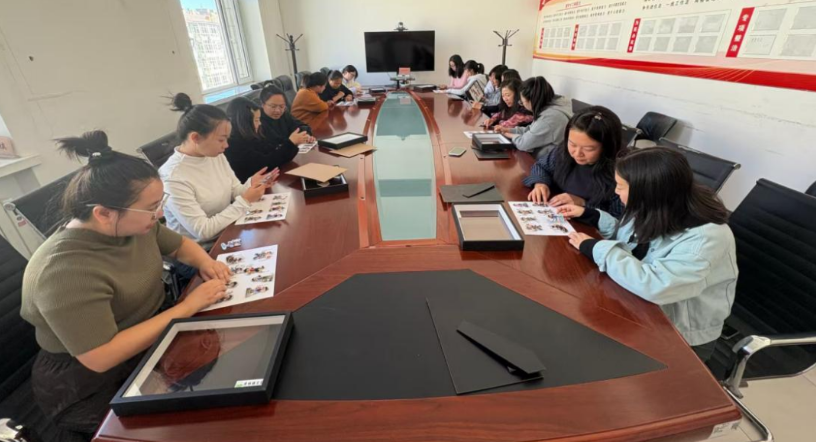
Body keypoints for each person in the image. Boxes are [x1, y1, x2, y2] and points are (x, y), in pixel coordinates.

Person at [20, 131, 230, 440]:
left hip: (153, 332)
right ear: (103, 213)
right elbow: (101, 356)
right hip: (91, 379)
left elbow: (179, 245)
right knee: (192, 425)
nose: (160, 214)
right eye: (152, 207)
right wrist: (188, 307)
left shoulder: (133, 226)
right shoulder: (63, 272)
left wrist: (205, 263)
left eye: (160, 202)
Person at [559, 147, 737, 362]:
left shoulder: (707, 237)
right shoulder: (657, 205)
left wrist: (596, 248)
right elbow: (632, 242)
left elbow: (657, 286)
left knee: (589, 356)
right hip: (637, 307)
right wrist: (593, 216)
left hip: (680, 334)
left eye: (621, 186)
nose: (616, 191)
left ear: (646, 191)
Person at [160, 93, 277, 246]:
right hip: (201, 249)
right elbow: (203, 231)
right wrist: (245, 200)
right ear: (195, 138)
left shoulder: (214, 154)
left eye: (227, 138)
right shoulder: (173, 177)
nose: (226, 145)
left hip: (229, 231)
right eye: (221, 139)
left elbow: (234, 190)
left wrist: (252, 184)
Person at [522, 106, 625, 217]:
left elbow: (618, 217)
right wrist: (540, 183)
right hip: (555, 212)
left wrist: (583, 204)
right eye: (572, 144)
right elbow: (541, 166)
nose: (577, 153)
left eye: (588, 149)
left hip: (585, 225)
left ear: (608, 147)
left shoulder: (622, 173)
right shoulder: (562, 152)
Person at [224, 93, 310, 182]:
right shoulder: (233, 144)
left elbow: (271, 150)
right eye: (256, 120)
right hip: (250, 185)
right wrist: (291, 143)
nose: (260, 123)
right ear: (244, 122)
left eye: (282, 106)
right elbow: (266, 164)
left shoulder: (252, 135)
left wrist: (293, 142)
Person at [497, 76, 571, 159]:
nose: (523, 105)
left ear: (532, 100)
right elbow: (531, 130)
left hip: (548, 162)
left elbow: (523, 144)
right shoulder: (549, 109)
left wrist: (509, 135)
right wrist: (509, 130)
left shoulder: (549, 119)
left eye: (522, 102)